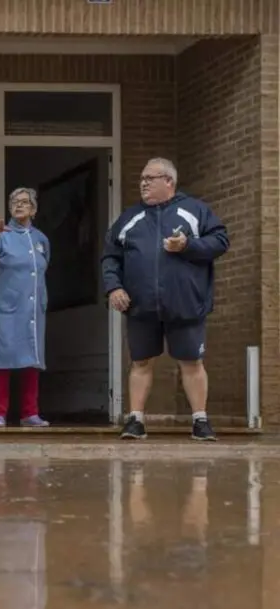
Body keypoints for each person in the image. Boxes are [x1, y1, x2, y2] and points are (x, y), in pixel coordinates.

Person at [101, 158, 229, 441]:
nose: (143, 183)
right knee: (141, 361)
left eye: (150, 178)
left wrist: (188, 245)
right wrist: (113, 288)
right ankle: (135, 420)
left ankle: (200, 421)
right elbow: (111, 256)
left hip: (185, 302)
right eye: (142, 179)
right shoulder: (129, 218)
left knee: (191, 361)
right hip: (141, 304)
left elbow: (220, 241)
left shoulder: (195, 211)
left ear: (168, 181)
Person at [0, 188, 51, 428]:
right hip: (7, 308)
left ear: (33, 209)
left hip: (33, 309)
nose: (19, 206)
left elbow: (43, 268)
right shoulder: (2, 235)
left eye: (24, 202)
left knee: (31, 360)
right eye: (14, 202)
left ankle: (30, 413)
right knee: (3, 360)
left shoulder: (41, 239)